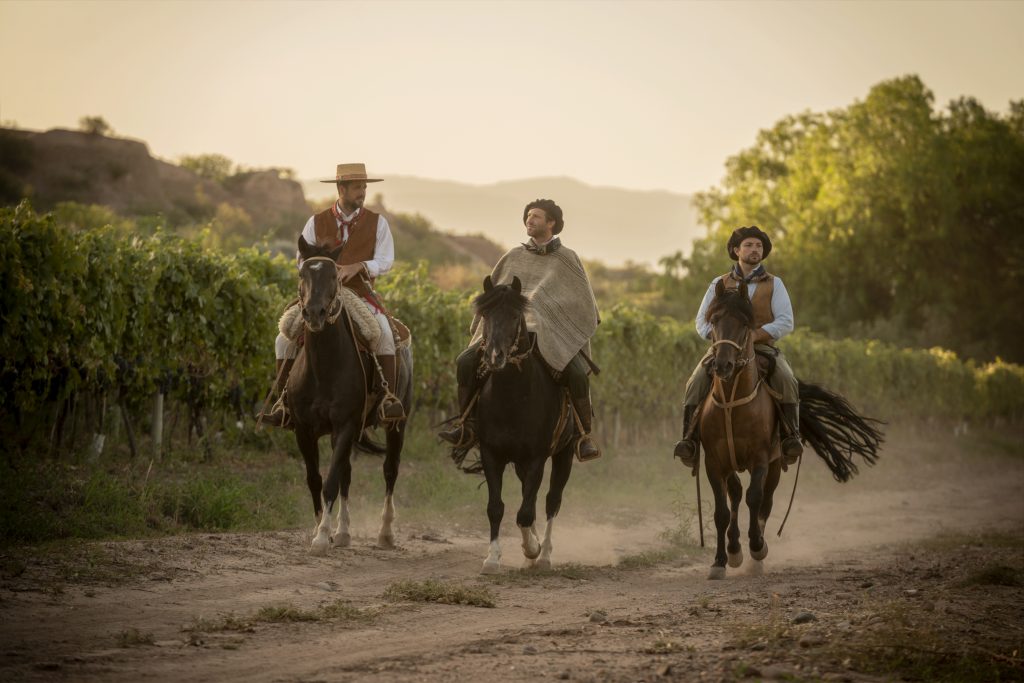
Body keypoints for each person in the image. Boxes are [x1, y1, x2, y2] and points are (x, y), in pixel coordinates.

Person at [438, 199, 602, 461]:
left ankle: (583, 436)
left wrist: (539, 312)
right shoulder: (513, 256)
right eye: (528, 216)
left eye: (536, 216)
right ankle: (465, 424)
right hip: (505, 334)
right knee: (465, 361)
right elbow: (492, 297)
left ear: (551, 223)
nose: (530, 220)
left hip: (553, 337)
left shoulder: (568, 260)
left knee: (577, 374)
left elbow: (582, 305)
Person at [259, 162, 404, 427]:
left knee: (383, 333)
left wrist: (358, 266)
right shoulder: (315, 222)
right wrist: (323, 272)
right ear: (341, 188)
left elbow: (386, 260)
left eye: (364, 187)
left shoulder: (377, 222)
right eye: (357, 187)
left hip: (359, 294)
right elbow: (301, 261)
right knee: (283, 339)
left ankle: (387, 400)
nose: (362, 192)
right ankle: (284, 404)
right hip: (320, 295)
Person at [673, 225, 802, 467]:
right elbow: (701, 321)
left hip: (762, 348)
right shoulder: (718, 283)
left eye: (759, 246)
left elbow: (786, 321)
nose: (755, 250)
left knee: (786, 378)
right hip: (723, 347)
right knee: (695, 381)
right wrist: (721, 339)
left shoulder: (775, 284)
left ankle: (790, 437)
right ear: (736, 250)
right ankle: (688, 441)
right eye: (749, 245)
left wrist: (754, 336)